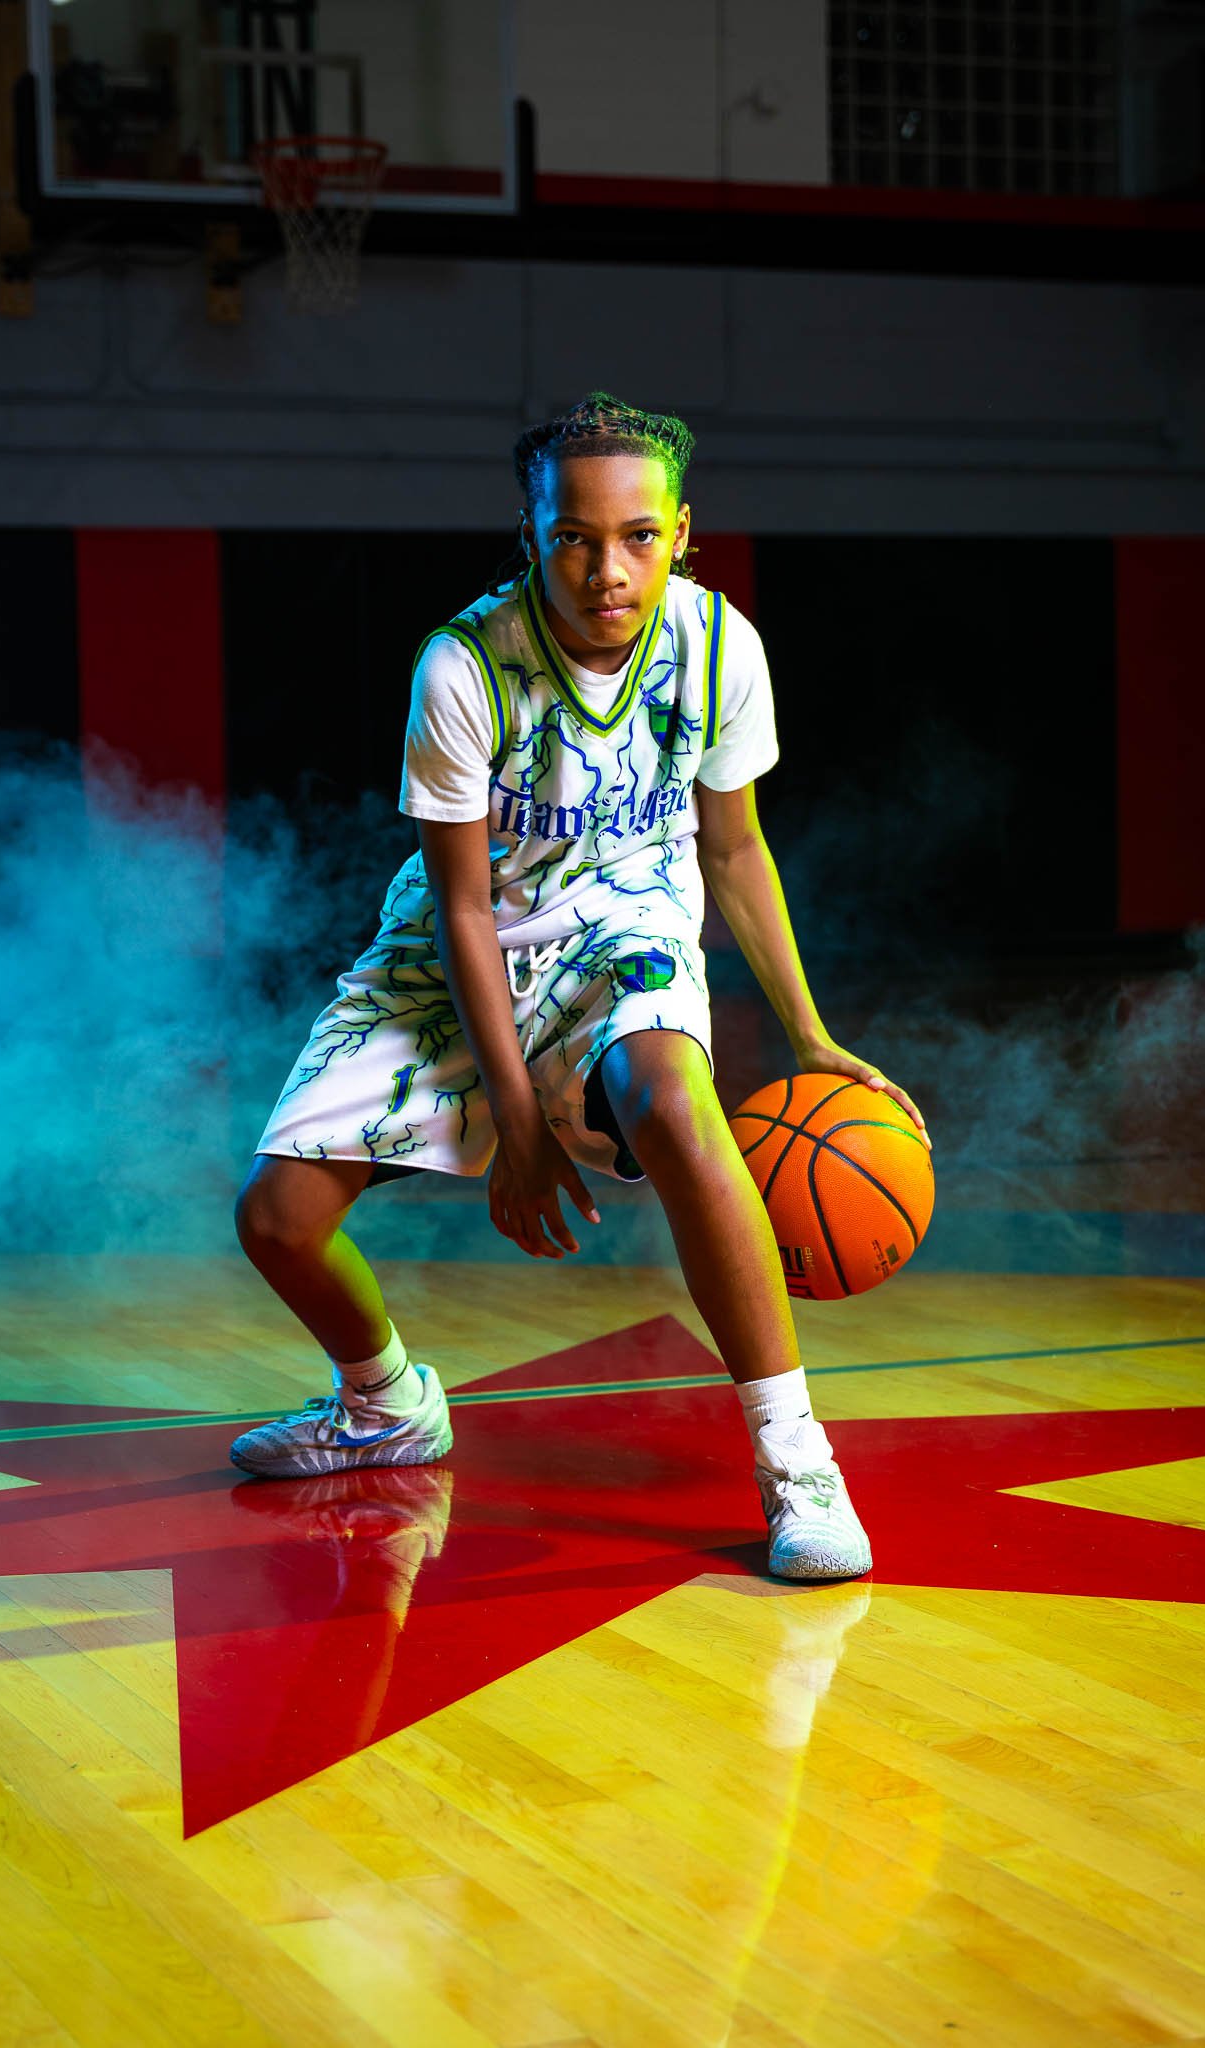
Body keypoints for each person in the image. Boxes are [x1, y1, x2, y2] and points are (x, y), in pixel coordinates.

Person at [230, 392, 928, 1581]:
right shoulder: (464, 666)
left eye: (639, 535)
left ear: (682, 529)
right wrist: (515, 1117)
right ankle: (386, 1401)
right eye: (574, 536)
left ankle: (796, 1455)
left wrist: (808, 1033)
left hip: (628, 923)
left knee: (670, 1098)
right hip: (465, 942)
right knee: (275, 1220)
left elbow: (735, 848)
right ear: (531, 531)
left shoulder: (720, 649)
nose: (609, 567)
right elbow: (458, 905)